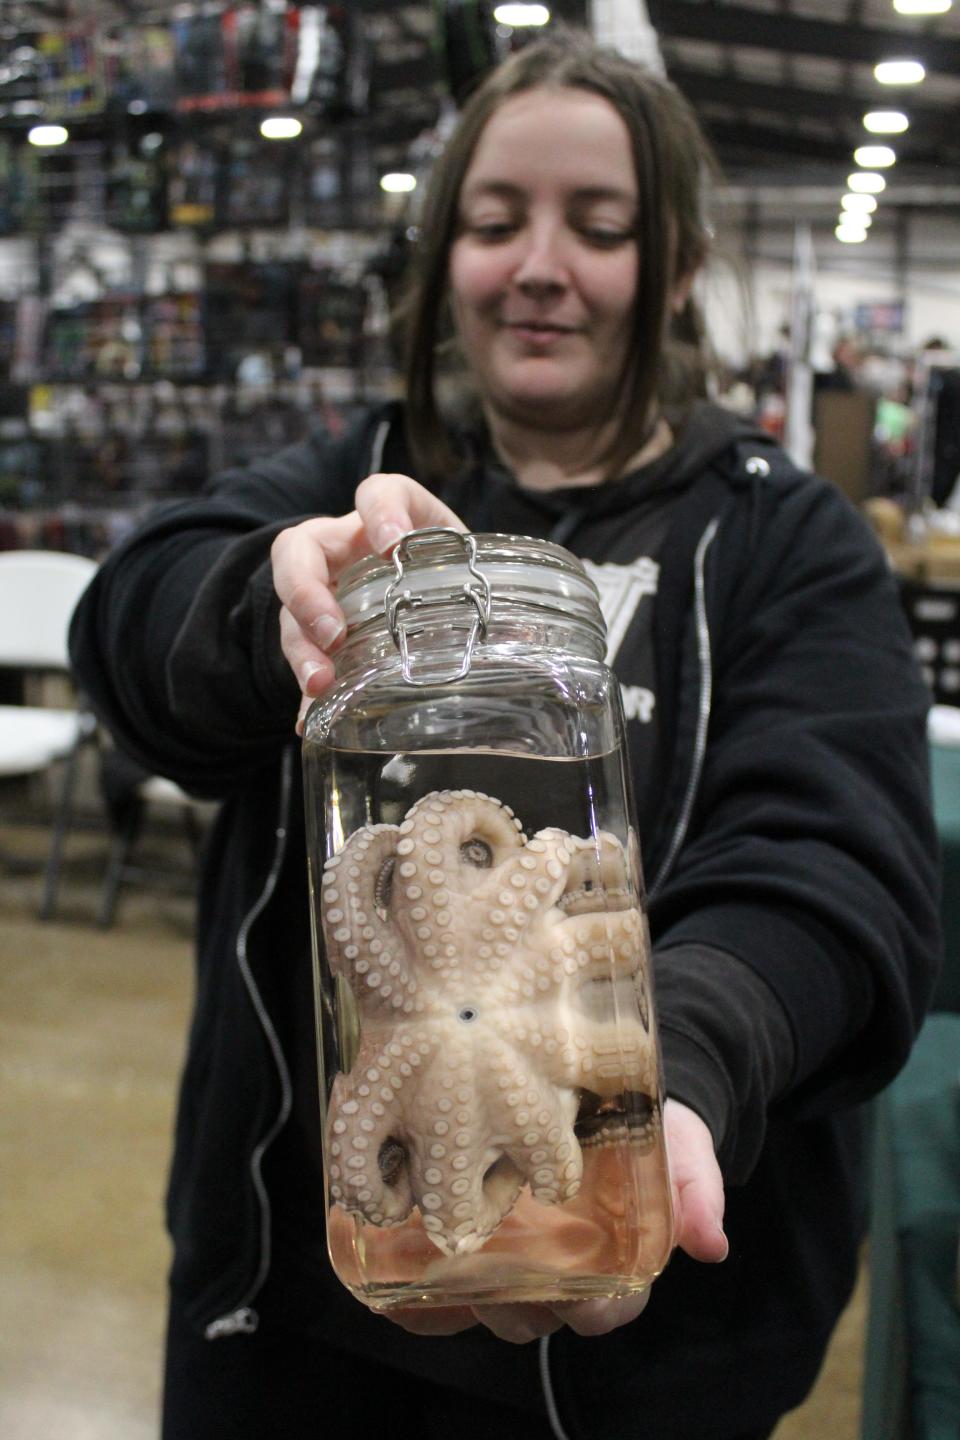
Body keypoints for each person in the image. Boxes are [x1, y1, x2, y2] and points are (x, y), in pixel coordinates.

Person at [69, 28, 941, 1440]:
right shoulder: (339, 483)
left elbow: (837, 872)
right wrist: (266, 600)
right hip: (293, 1309)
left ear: (676, 269)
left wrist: (669, 1075)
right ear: (441, 259)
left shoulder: (789, 542)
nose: (540, 266)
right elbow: (128, 622)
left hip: (638, 1362)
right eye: (492, 222)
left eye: (600, 228)